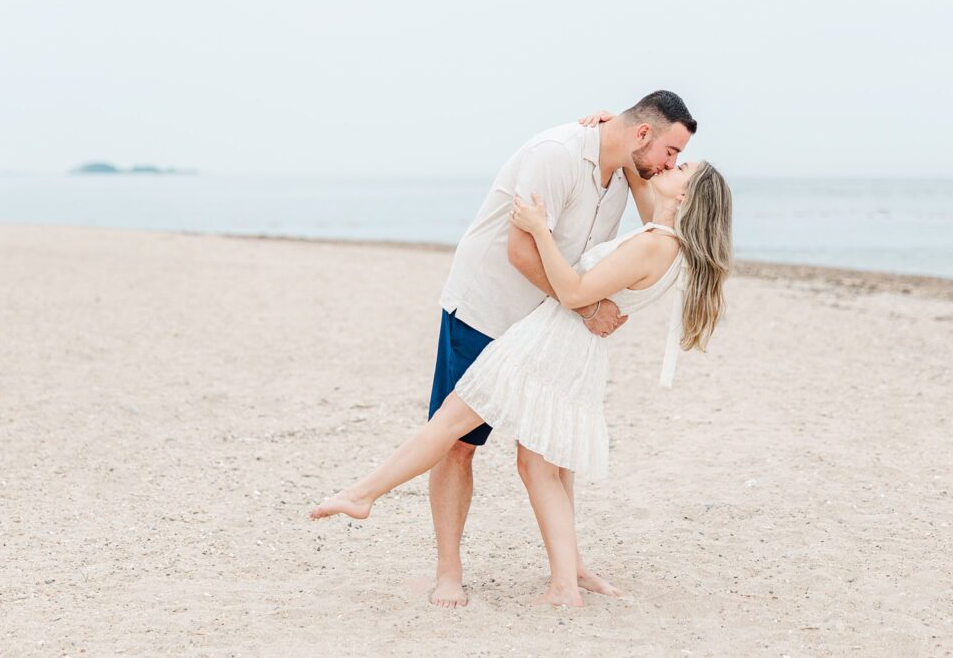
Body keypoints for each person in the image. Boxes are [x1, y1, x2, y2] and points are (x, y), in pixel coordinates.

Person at [311, 160, 734, 608]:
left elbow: (574, 293)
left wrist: (539, 229)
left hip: (550, 343)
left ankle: (362, 495)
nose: (671, 165)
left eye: (682, 168)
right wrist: (620, 134)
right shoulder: (669, 244)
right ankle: (565, 582)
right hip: (572, 351)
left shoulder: (655, 244)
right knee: (540, 467)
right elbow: (640, 173)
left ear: (685, 197)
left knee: (450, 423)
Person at [421, 90, 698, 607]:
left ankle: (568, 568)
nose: (672, 164)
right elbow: (520, 248)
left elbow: (657, 219)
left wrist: (630, 142)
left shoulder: (631, 169)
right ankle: (448, 571)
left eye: (677, 159)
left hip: (546, 321)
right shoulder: (556, 154)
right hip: (489, 307)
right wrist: (585, 309)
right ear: (644, 135)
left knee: (553, 449)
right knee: (458, 442)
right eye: (670, 152)